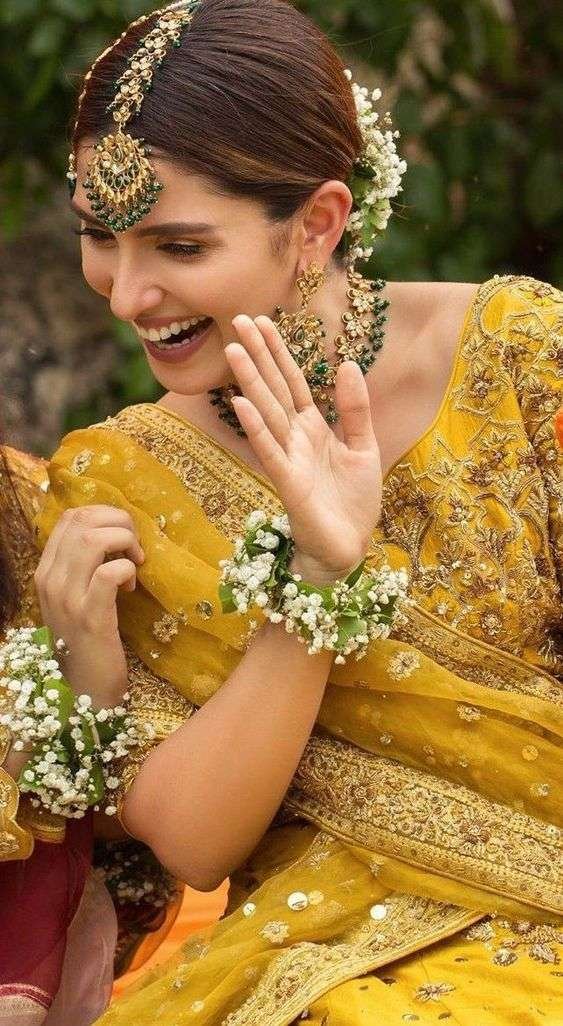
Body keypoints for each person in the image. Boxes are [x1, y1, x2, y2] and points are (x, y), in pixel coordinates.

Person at [29, 0, 561, 1023]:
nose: (125, 295)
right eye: (100, 237)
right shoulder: (121, 483)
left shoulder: (516, 358)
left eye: (178, 247)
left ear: (316, 224)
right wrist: (315, 581)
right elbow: (194, 843)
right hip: (307, 964)